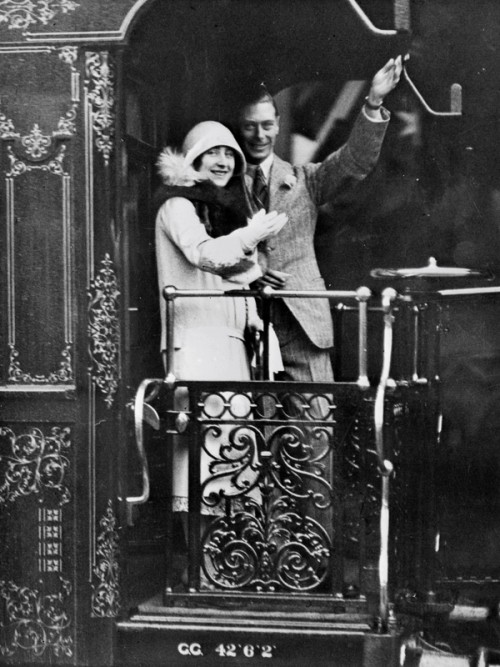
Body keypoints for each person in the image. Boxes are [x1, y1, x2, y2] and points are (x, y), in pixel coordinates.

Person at [154, 121, 287, 586]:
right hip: (196, 347)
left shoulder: (213, 211)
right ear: (192, 159)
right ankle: (201, 571)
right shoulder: (177, 206)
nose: (223, 161)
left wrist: (254, 284)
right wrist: (251, 236)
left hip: (227, 349)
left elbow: (232, 274)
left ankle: (222, 568)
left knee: (230, 459)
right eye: (213, 152)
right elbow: (204, 255)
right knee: (201, 462)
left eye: (230, 154)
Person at [236, 57, 403, 382]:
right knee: (255, 414)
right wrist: (251, 270)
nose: (259, 135)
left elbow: (354, 161)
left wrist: (373, 101)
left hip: (303, 326)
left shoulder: (306, 180)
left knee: (316, 414)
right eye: (249, 126)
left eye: (267, 125)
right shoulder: (225, 184)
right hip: (246, 322)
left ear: (278, 124)